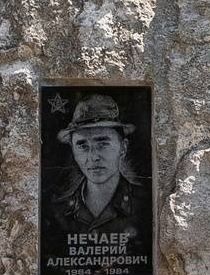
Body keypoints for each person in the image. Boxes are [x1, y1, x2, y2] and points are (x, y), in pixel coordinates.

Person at [47, 93, 148, 252]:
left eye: (102, 144)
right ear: (73, 151)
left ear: (123, 148)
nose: (93, 157)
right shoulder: (58, 210)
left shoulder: (145, 205)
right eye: (82, 146)